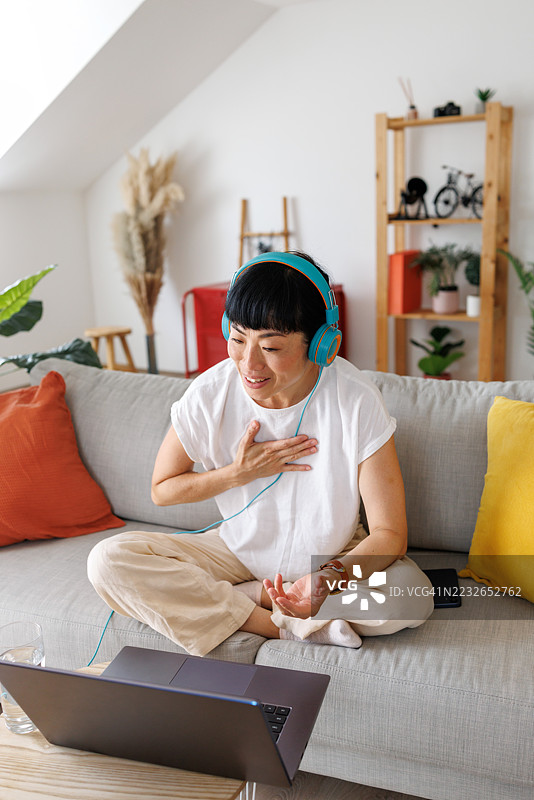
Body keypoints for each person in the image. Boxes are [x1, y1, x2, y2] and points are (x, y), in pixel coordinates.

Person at [88, 251, 433, 656]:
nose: (248, 363)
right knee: (108, 561)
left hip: (333, 552)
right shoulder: (210, 392)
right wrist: (238, 472)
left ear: (322, 344)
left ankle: (251, 598)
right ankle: (279, 625)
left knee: (410, 596)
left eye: (270, 347)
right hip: (236, 552)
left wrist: (329, 578)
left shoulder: (355, 400)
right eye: (237, 339)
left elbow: (390, 535)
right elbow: (163, 490)